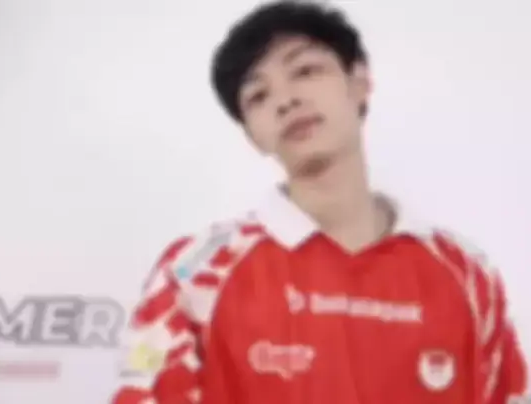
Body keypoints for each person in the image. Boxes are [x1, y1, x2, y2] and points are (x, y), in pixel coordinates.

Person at [111, 1, 528, 403]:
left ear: (360, 82)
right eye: (258, 96)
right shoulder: (194, 273)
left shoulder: (466, 274)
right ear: (252, 135)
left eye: (306, 71)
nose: (286, 100)